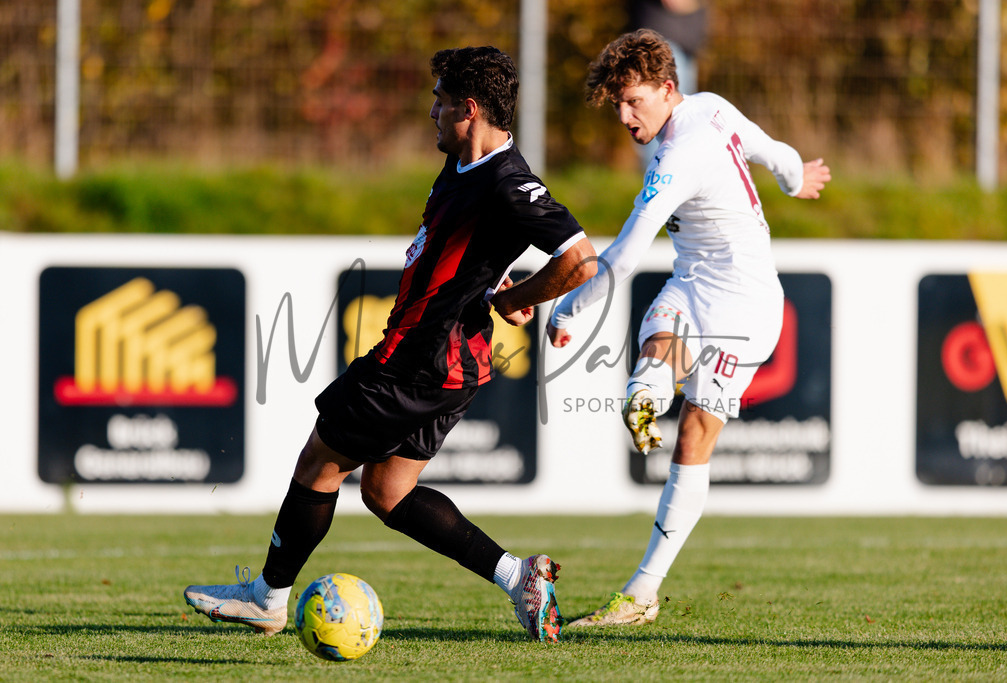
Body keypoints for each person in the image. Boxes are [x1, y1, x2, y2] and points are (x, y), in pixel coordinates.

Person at [184, 45, 597, 644]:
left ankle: (267, 598)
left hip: (418, 359)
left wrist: (512, 299)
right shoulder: (464, 164)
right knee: (386, 491)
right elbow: (469, 250)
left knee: (319, 464)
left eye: (440, 100)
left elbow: (581, 261)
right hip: (449, 362)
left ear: (469, 109)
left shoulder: (508, 181)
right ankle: (519, 576)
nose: (431, 110)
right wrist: (493, 278)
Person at [546, 29, 830, 626]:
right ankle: (647, 391)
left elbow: (623, 255)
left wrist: (569, 308)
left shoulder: (677, 158)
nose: (624, 116)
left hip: (745, 307)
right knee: (659, 333)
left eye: (634, 101)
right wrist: (794, 177)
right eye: (618, 104)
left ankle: (642, 593)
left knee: (693, 435)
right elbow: (772, 149)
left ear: (667, 89)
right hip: (695, 285)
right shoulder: (710, 107)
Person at [629, 0, 708, 169]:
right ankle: (658, 175)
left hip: (684, 44)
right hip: (662, 41)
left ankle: (667, 176)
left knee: (681, 116)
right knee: (664, 114)